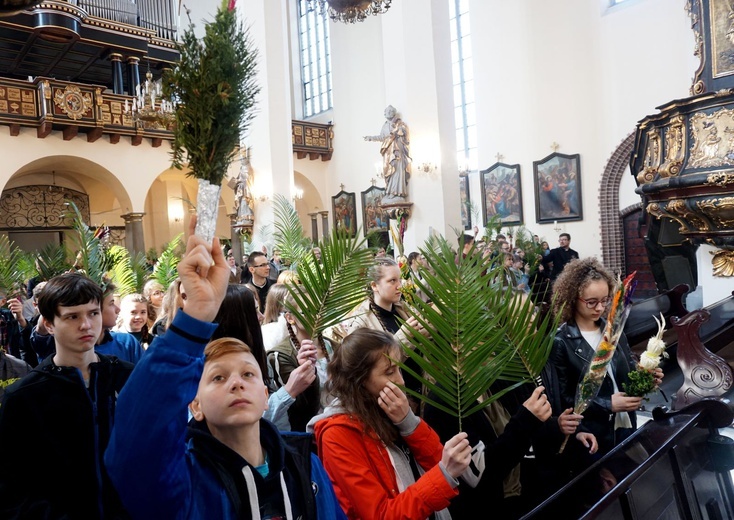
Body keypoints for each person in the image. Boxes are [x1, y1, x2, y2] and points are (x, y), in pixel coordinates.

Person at [105, 230, 345, 519]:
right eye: (218, 377)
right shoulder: (185, 479)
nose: (236, 383)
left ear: (266, 396)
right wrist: (193, 320)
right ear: (195, 405)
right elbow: (136, 442)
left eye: (248, 375)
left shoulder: (305, 463)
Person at [0, 272, 133, 518]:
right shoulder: (24, 397)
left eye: (93, 313)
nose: (86, 325)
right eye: (72, 316)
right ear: (49, 324)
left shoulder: (127, 379)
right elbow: (12, 488)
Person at [308, 328, 472, 519]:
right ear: (359, 381)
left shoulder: (388, 408)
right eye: (389, 372)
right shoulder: (337, 435)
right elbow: (380, 515)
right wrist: (444, 474)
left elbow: (436, 462)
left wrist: (408, 422)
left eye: (399, 368)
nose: (400, 380)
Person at [548, 258, 663, 460]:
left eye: (605, 300)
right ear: (572, 297)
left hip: (624, 424)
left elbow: (625, 377)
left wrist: (645, 377)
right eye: (591, 302)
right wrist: (607, 404)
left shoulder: (614, 331)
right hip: (592, 433)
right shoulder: (561, 342)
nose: (600, 308)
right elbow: (563, 399)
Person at [213, 283, 317, 432]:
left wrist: (303, 368)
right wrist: (288, 391)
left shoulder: (255, 353)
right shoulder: (215, 366)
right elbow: (241, 418)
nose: (261, 317)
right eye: (255, 311)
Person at [364, 105, 412, 203]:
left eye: (390, 111)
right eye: (387, 111)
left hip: (397, 150)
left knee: (397, 170)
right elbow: (381, 137)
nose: (388, 113)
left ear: (394, 113)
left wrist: (396, 132)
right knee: (389, 172)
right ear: (385, 114)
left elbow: (403, 132)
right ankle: (390, 192)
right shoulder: (385, 125)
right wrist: (371, 138)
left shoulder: (399, 123)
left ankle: (397, 192)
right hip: (387, 152)